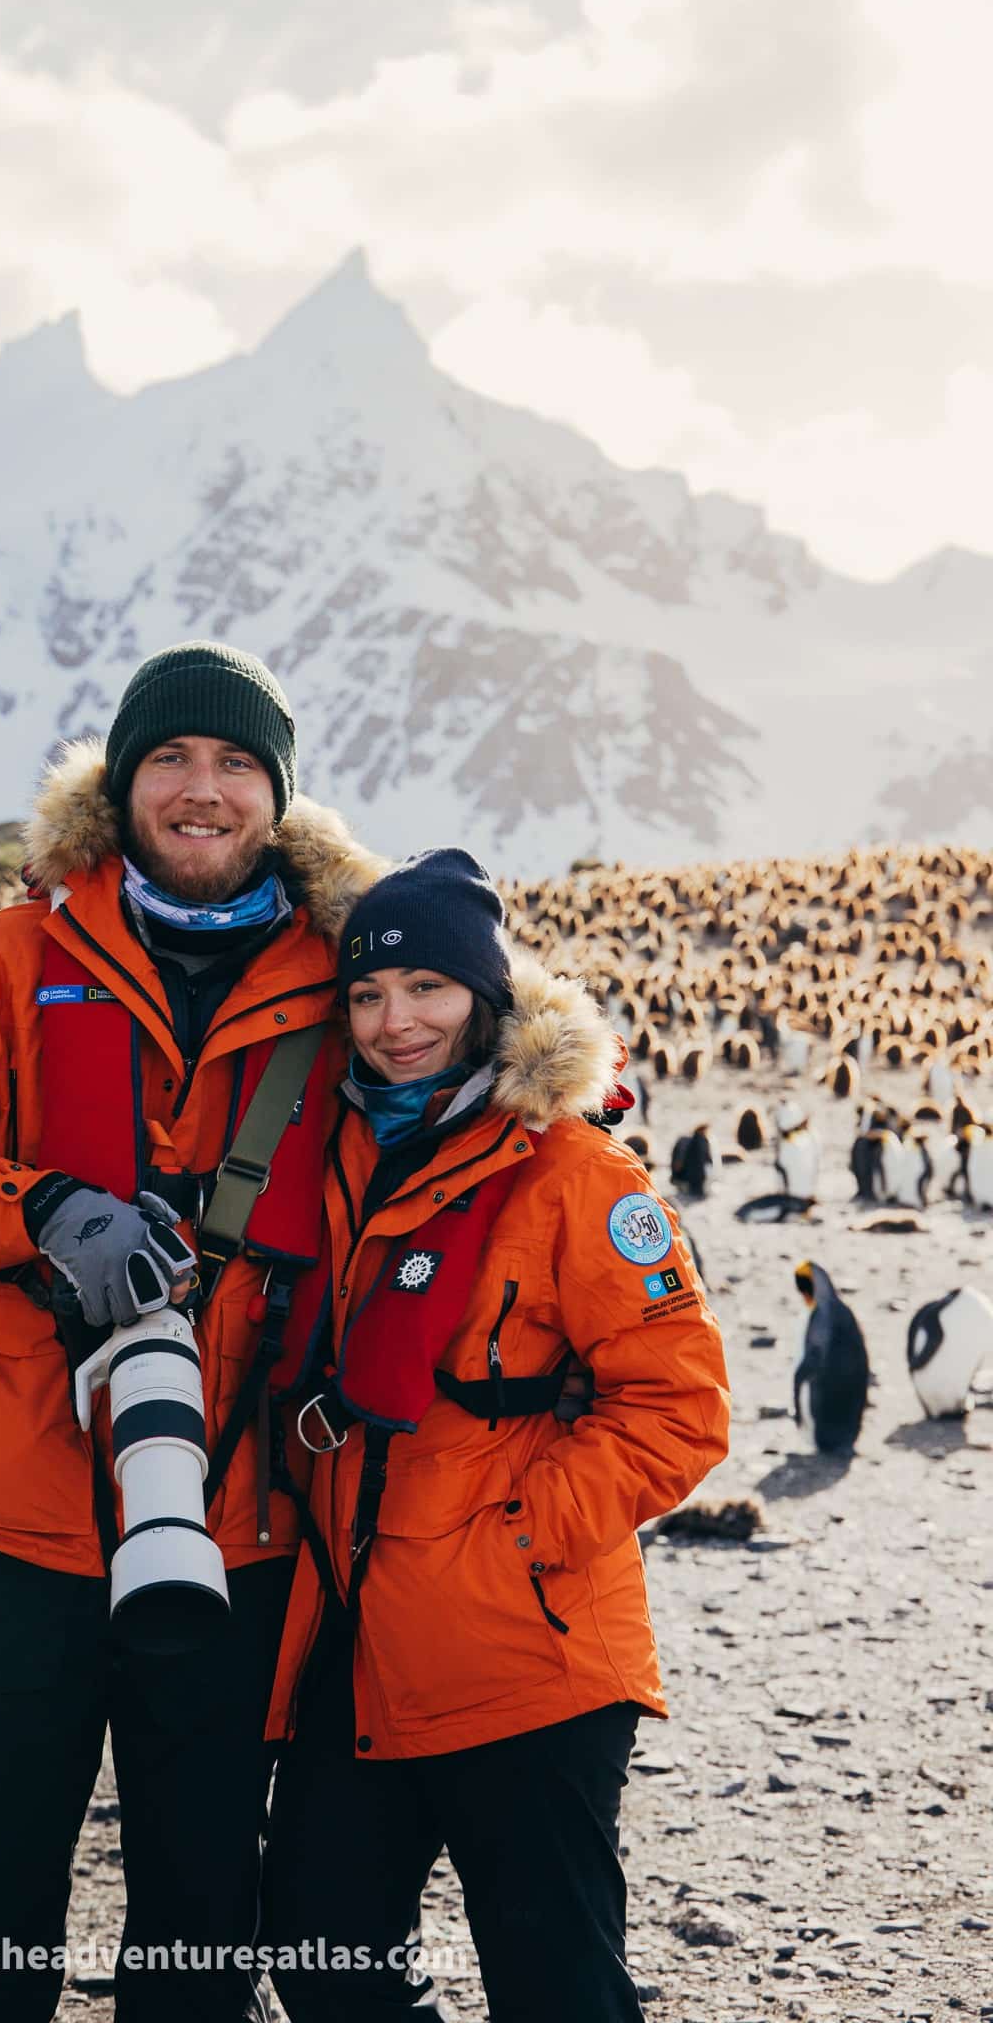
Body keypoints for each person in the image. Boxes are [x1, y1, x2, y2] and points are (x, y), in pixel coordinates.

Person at [0, 642, 381, 2023]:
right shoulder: (0, 966)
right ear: (121, 787)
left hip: (240, 1520)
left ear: (279, 796)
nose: (202, 790)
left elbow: (478, 1137)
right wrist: (38, 1207)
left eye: (236, 764)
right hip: (15, 1523)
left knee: (200, 1905)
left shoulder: (353, 987)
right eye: (171, 761)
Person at [258, 849, 730, 2023]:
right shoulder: (337, 1157)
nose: (394, 1021)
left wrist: (519, 1538)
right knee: (326, 1963)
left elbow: (679, 1405)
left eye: (427, 988)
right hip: (354, 1649)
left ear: (486, 996)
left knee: (557, 1984)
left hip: (529, 1662)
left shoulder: (577, 1173)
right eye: (367, 994)